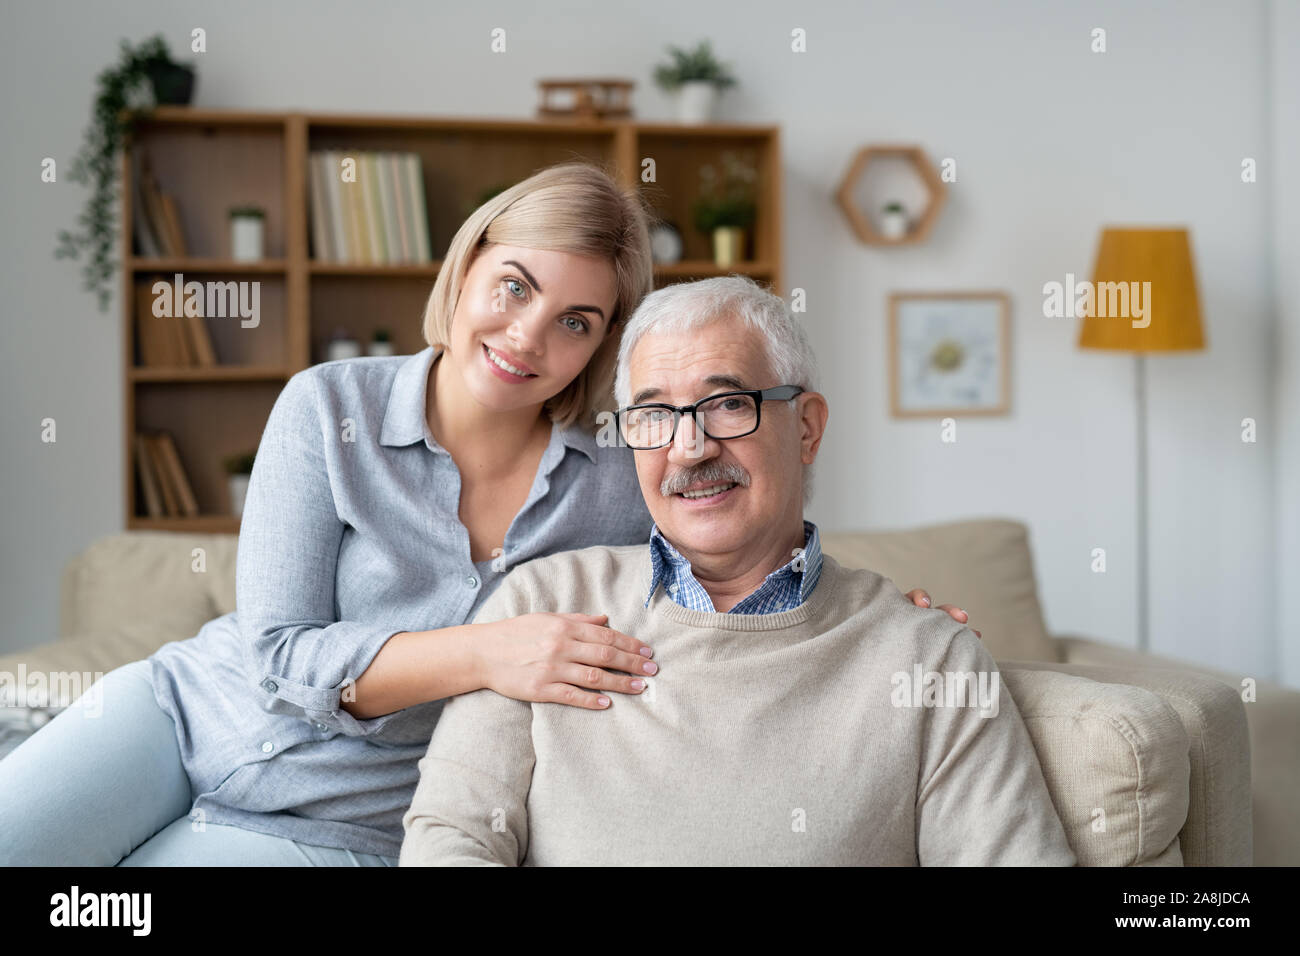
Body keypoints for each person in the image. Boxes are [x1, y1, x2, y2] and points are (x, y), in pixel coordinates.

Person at [0, 164, 970, 867]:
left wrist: (880, 615)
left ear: (598, 347)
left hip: (340, 823)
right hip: (174, 715)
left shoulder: (615, 480)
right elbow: (280, 655)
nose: (526, 336)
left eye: (576, 322)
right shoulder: (327, 405)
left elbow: (737, 553)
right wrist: (489, 651)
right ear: (468, 266)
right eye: (515, 286)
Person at [399, 275, 1074, 866]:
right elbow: (450, 838)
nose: (688, 448)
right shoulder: (541, 605)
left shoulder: (927, 656)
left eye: (727, 404)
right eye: (656, 414)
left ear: (806, 428)